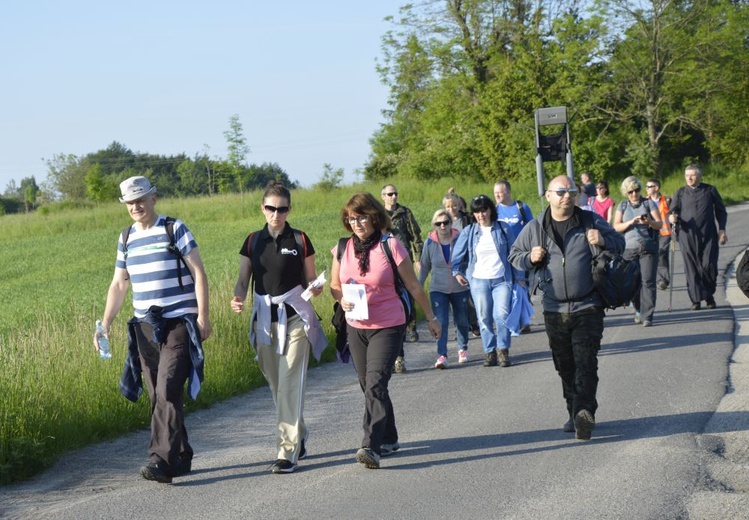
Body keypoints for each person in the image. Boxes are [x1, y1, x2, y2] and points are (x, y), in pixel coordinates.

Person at [97, 176, 211, 483]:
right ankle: (181, 454)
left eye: (141, 200)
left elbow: (198, 272)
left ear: (153, 198)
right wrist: (105, 323)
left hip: (178, 323)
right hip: (144, 328)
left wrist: (203, 317)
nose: (136, 206)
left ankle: (160, 460)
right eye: (130, 202)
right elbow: (119, 284)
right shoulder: (126, 238)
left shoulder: (175, 229)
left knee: (167, 388)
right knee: (158, 396)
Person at [509, 175, 625, 441]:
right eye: (560, 191)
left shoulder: (590, 220)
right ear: (548, 195)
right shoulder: (535, 227)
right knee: (565, 365)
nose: (567, 196)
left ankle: (585, 412)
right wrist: (530, 257)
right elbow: (514, 256)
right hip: (553, 309)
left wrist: (604, 241)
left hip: (588, 305)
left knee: (585, 362)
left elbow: (619, 245)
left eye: (571, 191)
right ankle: (575, 412)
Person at [330, 192, 440, 469]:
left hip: (388, 324)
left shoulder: (390, 245)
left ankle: (371, 445)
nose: (356, 223)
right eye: (351, 219)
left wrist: (431, 317)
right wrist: (340, 298)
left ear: (375, 216)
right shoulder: (342, 248)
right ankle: (389, 437)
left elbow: (414, 286)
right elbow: (335, 285)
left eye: (362, 217)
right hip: (356, 325)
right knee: (369, 386)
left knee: (376, 383)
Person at [230, 181, 327, 474]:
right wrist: (237, 296)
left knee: (289, 384)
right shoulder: (252, 241)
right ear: (262, 208)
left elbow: (310, 278)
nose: (276, 214)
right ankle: (300, 433)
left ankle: (287, 451)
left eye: (282, 209)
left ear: (289, 210)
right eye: (271, 208)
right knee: (275, 385)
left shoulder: (300, 239)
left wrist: (315, 288)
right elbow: (243, 279)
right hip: (264, 320)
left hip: (295, 318)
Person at [452, 194, 524, 368]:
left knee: (502, 315)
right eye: (477, 212)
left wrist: (520, 277)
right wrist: (457, 272)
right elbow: (457, 255)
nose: (481, 215)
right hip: (478, 281)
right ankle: (489, 351)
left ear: (491, 210)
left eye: (484, 210)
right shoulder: (469, 232)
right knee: (483, 318)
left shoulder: (503, 228)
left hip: (502, 280)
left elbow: (514, 254)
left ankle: (503, 350)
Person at [668, 164, 728, 310]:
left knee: (709, 265)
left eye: (692, 175)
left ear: (699, 176)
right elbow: (671, 212)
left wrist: (722, 229)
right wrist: (671, 218)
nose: (689, 178)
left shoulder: (710, 190)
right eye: (687, 175)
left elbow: (721, 211)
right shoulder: (680, 192)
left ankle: (709, 296)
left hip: (708, 234)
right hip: (687, 235)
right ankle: (695, 299)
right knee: (692, 267)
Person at [418, 209, 471, 368]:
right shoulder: (430, 243)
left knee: (461, 320)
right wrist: (417, 287)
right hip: (438, 288)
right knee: (440, 321)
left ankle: (462, 349)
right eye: (438, 223)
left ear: (450, 223)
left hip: (459, 287)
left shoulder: (460, 238)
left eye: (446, 222)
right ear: (434, 225)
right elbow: (425, 267)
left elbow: (469, 261)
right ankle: (442, 355)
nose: (442, 226)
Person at [381, 184, 424, 368]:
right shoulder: (378, 215)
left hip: (404, 258)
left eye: (395, 193)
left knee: (409, 292)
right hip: (385, 260)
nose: (393, 196)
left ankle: (411, 326)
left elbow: (415, 236)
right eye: (390, 194)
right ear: (383, 196)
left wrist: (417, 258)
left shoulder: (405, 213)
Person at [613, 176, 663, 327]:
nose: (634, 194)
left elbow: (660, 224)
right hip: (629, 249)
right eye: (630, 192)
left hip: (647, 248)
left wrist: (649, 222)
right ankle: (639, 309)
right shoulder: (622, 206)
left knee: (648, 281)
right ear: (626, 193)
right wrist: (631, 222)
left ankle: (648, 315)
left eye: (636, 191)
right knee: (632, 283)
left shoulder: (648, 203)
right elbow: (616, 226)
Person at [493, 179, 534, 333]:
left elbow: (532, 227)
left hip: (521, 252)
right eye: (495, 192)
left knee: (522, 285)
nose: (497, 195)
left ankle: (524, 319)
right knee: (507, 286)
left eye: (500, 192)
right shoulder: (495, 210)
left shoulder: (521, 207)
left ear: (508, 192)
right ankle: (515, 318)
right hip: (503, 254)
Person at [442, 188, 480, 337]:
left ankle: (473, 322)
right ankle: (460, 326)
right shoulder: (443, 222)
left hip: (469, 262)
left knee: (470, 295)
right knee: (455, 297)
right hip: (451, 263)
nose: (451, 209)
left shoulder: (467, 219)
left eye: (454, 205)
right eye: (447, 206)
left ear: (459, 205)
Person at [647, 178, 673, 290]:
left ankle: (663, 280)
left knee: (661, 253)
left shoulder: (666, 200)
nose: (647, 189)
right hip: (650, 232)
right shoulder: (645, 201)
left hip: (665, 232)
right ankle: (658, 279)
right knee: (652, 255)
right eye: (646, 186)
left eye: (649, 186)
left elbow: (673, 213)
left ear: (656, 188)